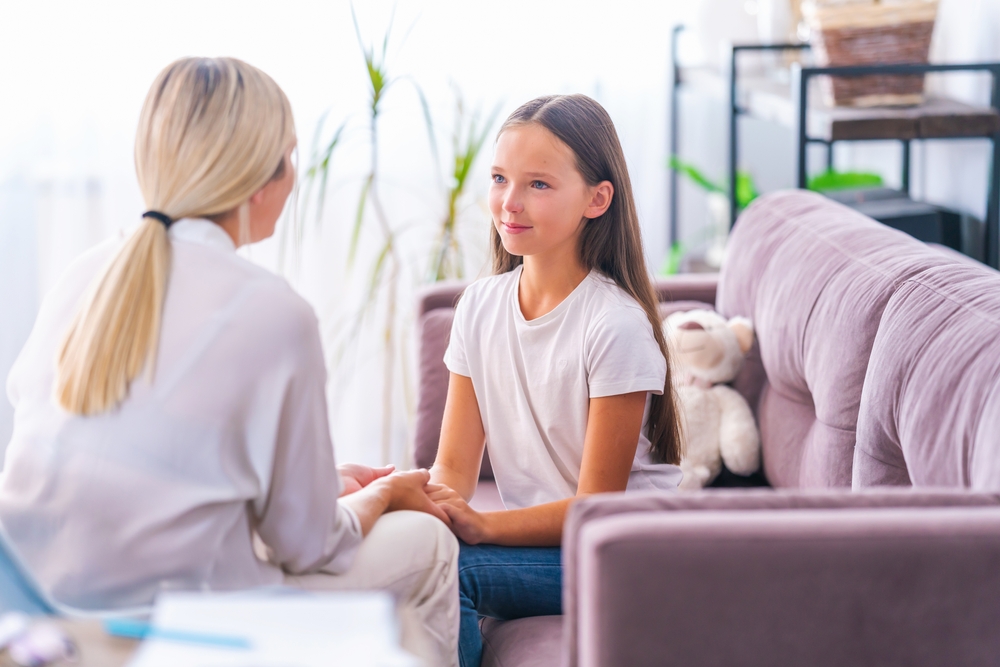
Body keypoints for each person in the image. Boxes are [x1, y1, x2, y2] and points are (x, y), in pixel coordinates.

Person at [0, 57, 459, 667]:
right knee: (429, 543)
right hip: (176, 626)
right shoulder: (275, 312)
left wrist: (324, 485)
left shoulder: (86, 273)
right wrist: (380, 497)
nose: (295, 177)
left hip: (35, 610)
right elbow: (309, 546)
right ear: (260, 177)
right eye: (291, 157)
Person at [427, 94, 685, 667]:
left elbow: (595, 506)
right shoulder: (477, 306)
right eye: (499, 178)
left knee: (449, 573)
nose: (509, 203)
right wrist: (415, 508)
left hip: (621, 550)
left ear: (598, 199)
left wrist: (482, 528)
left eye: (538, 185)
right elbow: (453, 469)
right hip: (550, 544)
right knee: (408, 551)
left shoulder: (614, 326)